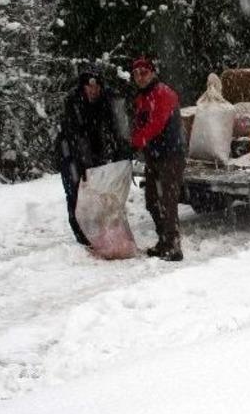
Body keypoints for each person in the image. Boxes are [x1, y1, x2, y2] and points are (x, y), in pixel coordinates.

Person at [56, 67, 130, 246]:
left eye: (97, 86)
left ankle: (100, 234)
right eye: (90, 87)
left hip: (95, 151)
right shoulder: (73, 103)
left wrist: (122, 153)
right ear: (83, 87)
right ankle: (83, 237)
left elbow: (117, 129)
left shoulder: (107, 99)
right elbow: (75, 136)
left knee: (98, 194)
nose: (93, 90)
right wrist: (84, 165)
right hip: (71, 153)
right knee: (75, 193)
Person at [130, 56, 186, 261]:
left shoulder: (164, 93)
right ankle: (163, 240)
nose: (139, 77)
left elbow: (156, 125)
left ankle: (173, 246)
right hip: (153, 156)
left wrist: (135, 142)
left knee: (168, 202)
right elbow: (139, 124)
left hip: (171, 155)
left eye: (143, 72)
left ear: (152, 72)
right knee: (152, 201)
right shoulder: (142, 97)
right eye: (135, 74)